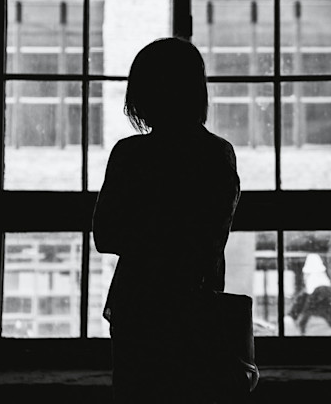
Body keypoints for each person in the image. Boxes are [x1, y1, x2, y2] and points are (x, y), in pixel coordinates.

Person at [92, 36, 242, 403]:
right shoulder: (215, 155)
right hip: (197, 309)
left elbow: (106, 235)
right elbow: (208, 237)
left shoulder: (129, 155)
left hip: (138, 309)